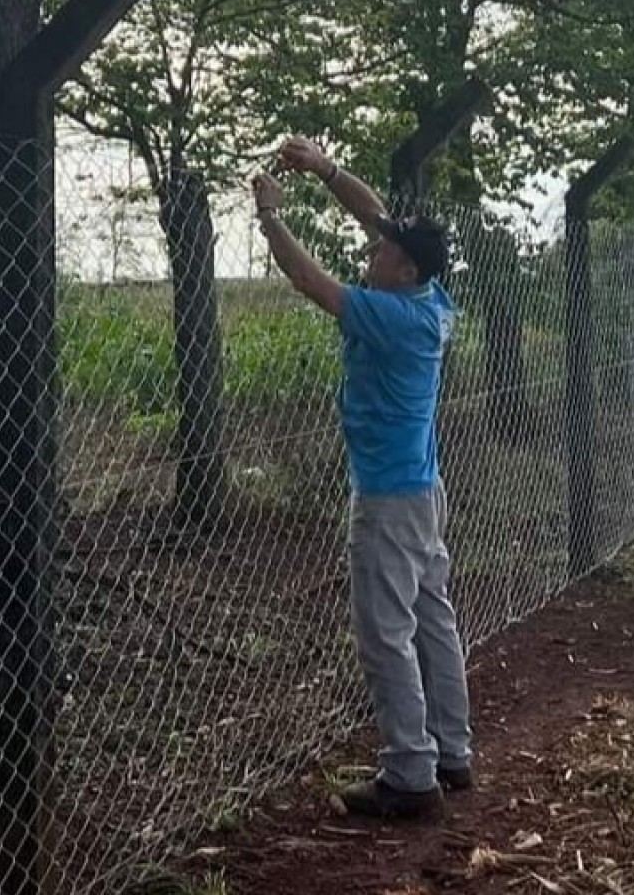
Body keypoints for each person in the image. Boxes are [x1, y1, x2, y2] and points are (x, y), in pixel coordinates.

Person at [250, 136, 472, 820]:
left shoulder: (390, 315)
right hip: (422, 491)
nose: (370, 249)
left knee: (385, 634)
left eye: (381, 251)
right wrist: (326, 170)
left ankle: (410, 774)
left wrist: (270, 217)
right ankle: (451, 751)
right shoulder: (429, 297)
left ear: (403, 270)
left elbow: (310, 282)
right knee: (433, 618)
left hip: (388, 495)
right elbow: (377, 215)